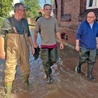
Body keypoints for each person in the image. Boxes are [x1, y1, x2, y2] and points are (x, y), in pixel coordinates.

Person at [0, 3, 35, 98]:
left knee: (26, 67)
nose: (24, 12)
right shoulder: (7, 21)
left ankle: (26, 82)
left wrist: (32, 46)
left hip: (24, 48)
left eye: (24, 10)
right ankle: (8, 92)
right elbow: (2, 36)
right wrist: (2, 51)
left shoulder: (25, 21)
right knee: (10, 69)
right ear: (17, 10)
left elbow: (28, 35)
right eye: (23, 10)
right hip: (12, 49)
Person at [34, 4, 64, 84]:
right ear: (43, 10)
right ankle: (48, 77)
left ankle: (47, 67)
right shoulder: (39, 21)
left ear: (51, 10)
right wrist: (34, 42)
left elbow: (57, 31)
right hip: (44, 45)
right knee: (45, 62)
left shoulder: (54, 20)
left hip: (53, 44)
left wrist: (61, 42)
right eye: (46, 9)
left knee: (54, 59)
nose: (48, 11)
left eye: (49, 9)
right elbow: (35, 32)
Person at [75, 12, 98, 81]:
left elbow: (97, 35)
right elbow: (78, 35)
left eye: (91, 17)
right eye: (88, 16)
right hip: (84, 46)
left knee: (92, 61)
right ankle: (78, 66)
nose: (89, 18)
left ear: (94, 18)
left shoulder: (96, 25)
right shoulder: (83, 24)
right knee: (82, 59)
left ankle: (89, 75)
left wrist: (97, 43)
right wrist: (77, 45)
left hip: (93, 46)